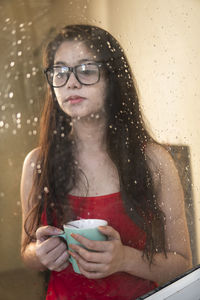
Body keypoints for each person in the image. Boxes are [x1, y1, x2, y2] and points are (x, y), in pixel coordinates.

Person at [20, 24, 192, 300]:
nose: (71, 83)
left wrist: (125, 259)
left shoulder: (153, 161)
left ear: (113, 79)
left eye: (86, 70)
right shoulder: (36, 162)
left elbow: (183, 265)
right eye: (60, 73)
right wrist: (41, 255)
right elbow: (27, 253)